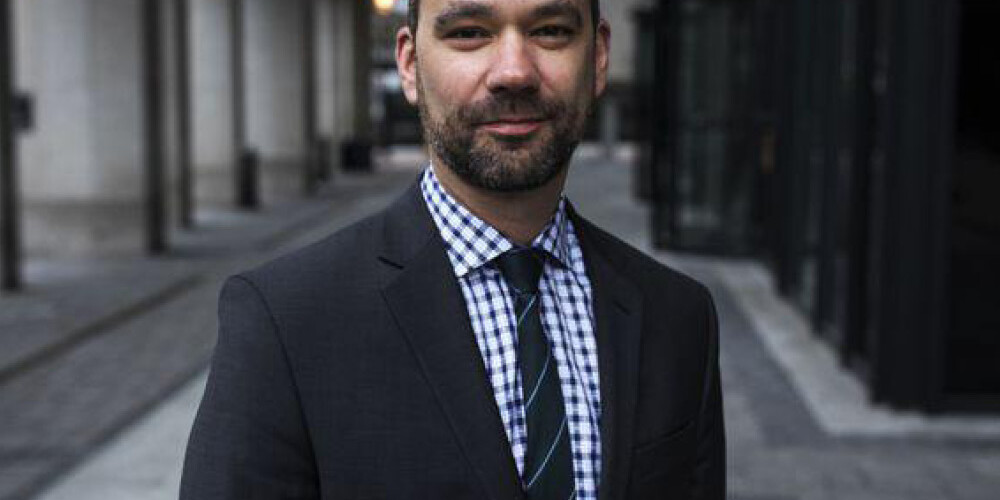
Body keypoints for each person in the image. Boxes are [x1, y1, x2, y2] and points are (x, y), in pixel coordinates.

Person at [179, 0, 725, 498]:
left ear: (598, 57)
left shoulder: (678, 317)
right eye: (469, 33)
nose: (514, 70)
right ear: (411, 64)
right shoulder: (286, 320)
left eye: (552, 31)